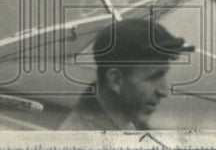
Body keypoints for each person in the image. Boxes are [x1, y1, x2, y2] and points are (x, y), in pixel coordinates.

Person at [59, 18, 193, 131]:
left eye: (163, 75)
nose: (164, 92)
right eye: (154, 76)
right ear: (116, 80)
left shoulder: (125, 117)